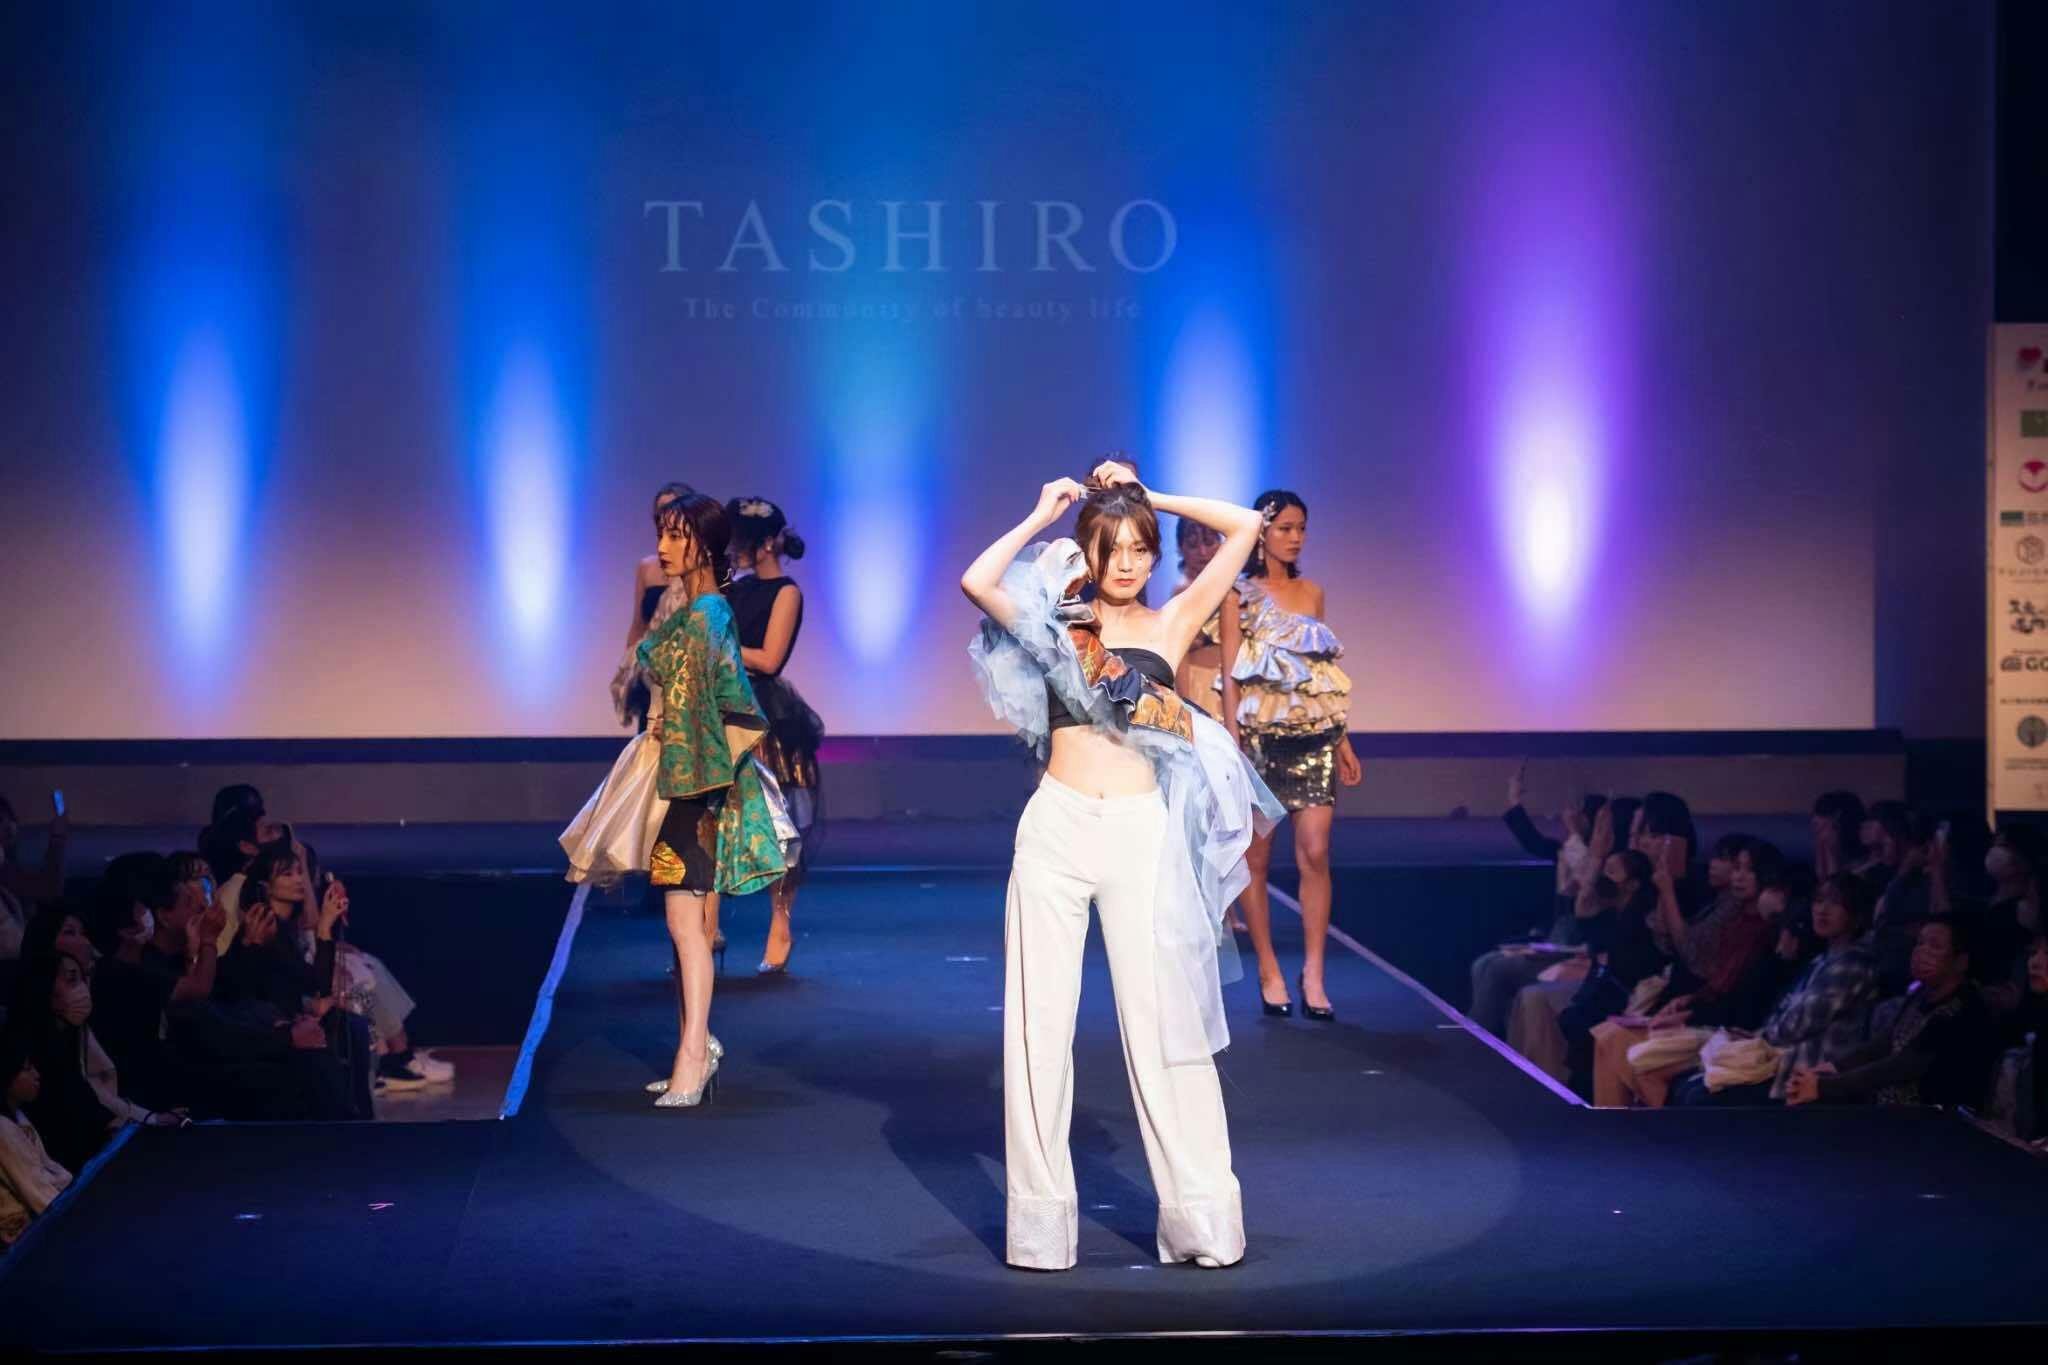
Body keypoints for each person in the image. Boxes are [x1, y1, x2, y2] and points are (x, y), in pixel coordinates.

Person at [963, 458, 1278, 1271]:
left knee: (1165, 1027)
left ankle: (1202, 1221)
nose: (1130, 561)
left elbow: (1247, 525)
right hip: (1057, 828)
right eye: (1115, 547)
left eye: (1142, 546)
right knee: (1037, 1031)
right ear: (1090, 553)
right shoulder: (1056, 621)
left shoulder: (1173, 622)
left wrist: (1148, 494)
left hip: (1142, 832)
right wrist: (1041, 512)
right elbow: (977, 580)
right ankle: (1040, 1230)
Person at [562, 491, 796, 1108]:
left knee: (687, 923)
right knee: (680, 922)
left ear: (705, 546)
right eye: (661, 534)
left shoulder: (711, 615)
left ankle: (694, 1053)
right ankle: (694, 1045)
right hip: (673, 774)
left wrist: (698, 774)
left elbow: (731, 703)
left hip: (695, 782)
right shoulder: (695, 609)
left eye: (676, 536)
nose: (663, 548)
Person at [1221, 490, 1363, 1019]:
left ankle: (1314, 972)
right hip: (1259, 741)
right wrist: (1233, 743)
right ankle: (1268, 969)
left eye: (1301, 528)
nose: (1296, 537)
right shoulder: (1238, 596)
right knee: (1256, 859)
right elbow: (1230, 675)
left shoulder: (1312, 593)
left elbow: (1321, 677)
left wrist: (1342, 739)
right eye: (1285, 527)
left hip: (1314, 740)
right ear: (1261, 533)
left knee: (1316, 852)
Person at [725, 495, 825, 975]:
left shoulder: (787, 592)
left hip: (767, 715)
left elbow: (769, 659)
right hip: (726, 705)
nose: (735, 550)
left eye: (742, 541)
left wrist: (721, 643)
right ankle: (707, 925)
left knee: (780, 826)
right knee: (715, 820)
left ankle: (780, 922)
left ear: (767, 543)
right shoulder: (734, 588)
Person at [1786, 917, 1998, 1110]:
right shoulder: (1922, 994)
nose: (1921, 952)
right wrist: (1833, 1067)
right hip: (1894, 1112)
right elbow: (1885, 1042)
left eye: (1934, 946)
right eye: (1920, 943)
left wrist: (1823, 1087)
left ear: (1961, 962)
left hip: (1937, 1120)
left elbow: (1901, 1066)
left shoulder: (1963, 1009)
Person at [0, 1030, 71, 1247]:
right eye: (27, 1069)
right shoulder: (3, 1129)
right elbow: (38, 1194)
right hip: (21, 1241)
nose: (36, 1075)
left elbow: (46, 1167)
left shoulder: (17, 1116)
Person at [1169, 517, 1228, 723]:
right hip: (1201, 685)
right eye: (1193, 545)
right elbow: (1180, 656)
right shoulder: (1183, 592)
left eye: (1209, 542)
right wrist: (1186, 705)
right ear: (1181, 548)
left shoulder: (1236, 588)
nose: (1203, 552)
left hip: (1234, 680)